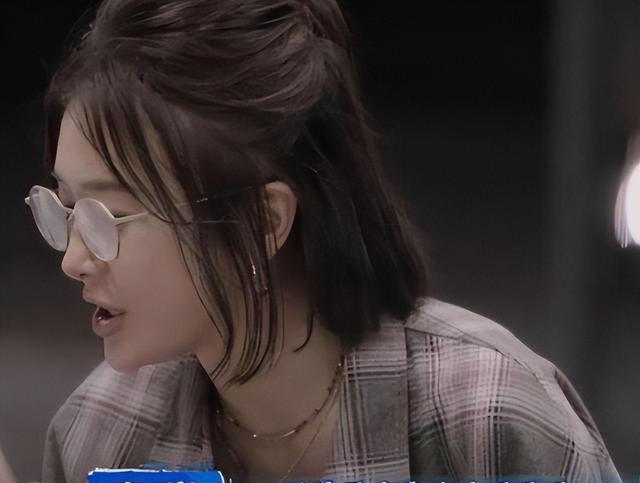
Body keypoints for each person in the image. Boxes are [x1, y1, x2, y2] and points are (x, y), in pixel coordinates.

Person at [25, 0, 622, 482]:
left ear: (263, 221)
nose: (74, 260)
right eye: (65, 209)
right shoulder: (101, 434)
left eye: (108, 217)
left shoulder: (486, 419)